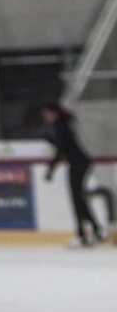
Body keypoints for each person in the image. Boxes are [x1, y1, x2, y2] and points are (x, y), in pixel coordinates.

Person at [41, 101, 104, 247]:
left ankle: (83, 235)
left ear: (54, 113)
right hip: (79, 162)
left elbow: (62, 150)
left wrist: (51, 169)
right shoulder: (64, 125)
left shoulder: (61, 126)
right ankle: (95, 230)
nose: (45, 117)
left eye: (47, 114)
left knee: (77, 199)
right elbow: (65, 146)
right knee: (78, 199)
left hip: (78, 163)